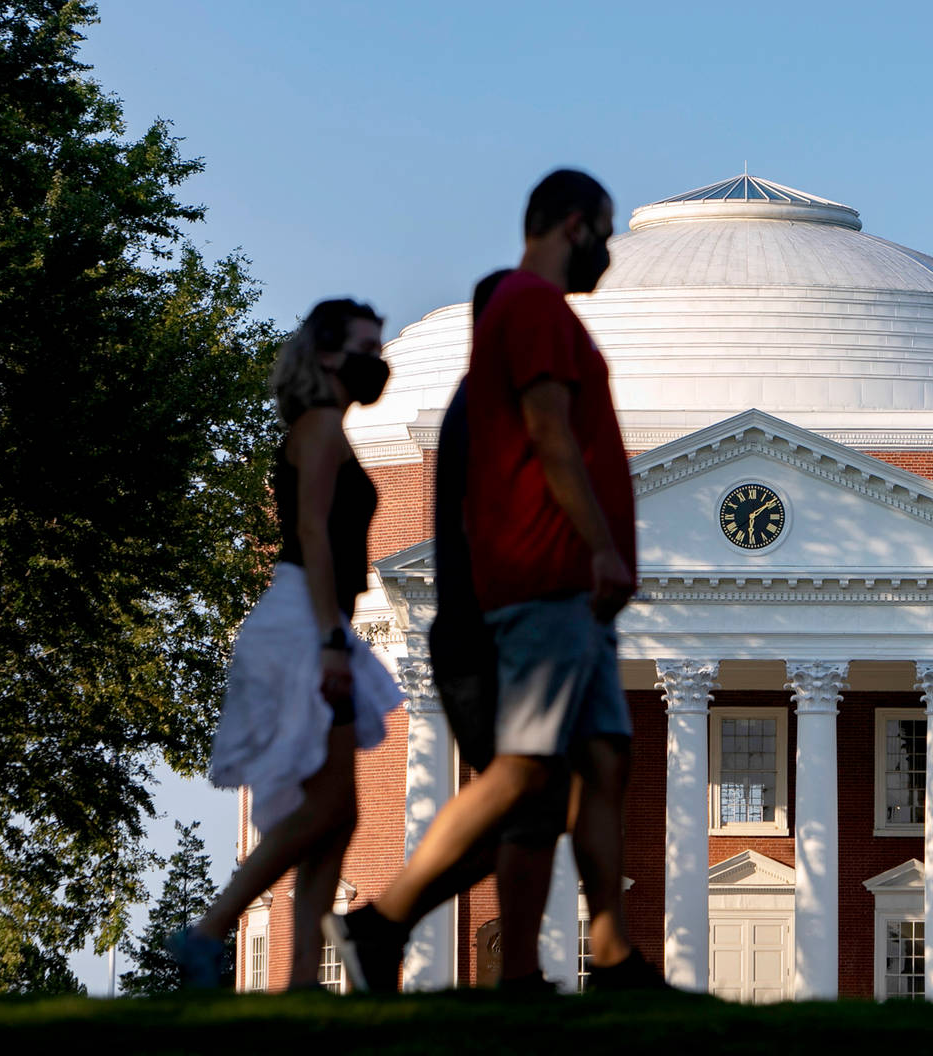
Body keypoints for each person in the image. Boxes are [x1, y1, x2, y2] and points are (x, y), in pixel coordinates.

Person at [327, 169, 660, 992]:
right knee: (524, 770)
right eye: (607, 234)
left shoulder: (538, 314)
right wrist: (602, 551)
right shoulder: (533, 307)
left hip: (571, 589)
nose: (613, 255)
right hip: (551, 579)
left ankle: (612, 955)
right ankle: (382, 921)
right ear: (574, 224)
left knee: (605, 761)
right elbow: (551, 436)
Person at [324, 270, 579, 994]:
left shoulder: (489, 400)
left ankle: (418, 934)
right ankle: (388, 922)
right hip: (485, 627)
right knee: (523, 783)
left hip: (488, 622)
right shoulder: (490, 404)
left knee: (534, 798)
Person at [174, 298, 404, 990]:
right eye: (367, 345)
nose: (378, 359)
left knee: (340, 812)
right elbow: (311, 534)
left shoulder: (323, 426)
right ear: (329, 355)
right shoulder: (322, 426)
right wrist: (334, 640)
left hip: (314, 618)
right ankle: (210, 930)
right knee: (325, 809)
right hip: (308, 621)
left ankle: (302, 982)